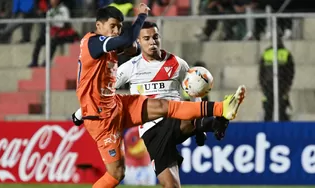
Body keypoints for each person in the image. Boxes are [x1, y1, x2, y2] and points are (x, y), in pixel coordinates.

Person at [75, 4, 246, 188]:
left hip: (117, 106)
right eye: (113, 26)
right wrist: (140, 17)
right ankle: (211, 122)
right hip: (109, 120)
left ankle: (221, 109)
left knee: (167, 107)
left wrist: (78, 114)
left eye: (155, 37)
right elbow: (126, 42)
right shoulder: (95, 44)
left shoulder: (176, 63)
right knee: (118, 174)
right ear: (99, 26)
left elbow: (194, 93)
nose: (117, 30)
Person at [259, 38, 294, 121]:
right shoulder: (266, 53)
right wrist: (263, 86)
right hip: (268, 87)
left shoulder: (286, 53)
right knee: (268, 112)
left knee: (281, 111)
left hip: (282, 86)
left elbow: (290, 72)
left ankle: (283, 131)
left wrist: (286, 86)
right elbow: (261, 72)